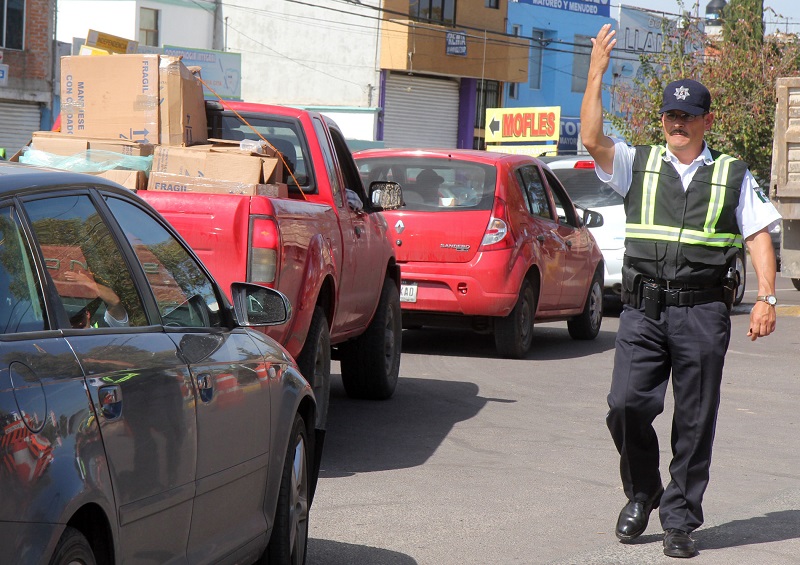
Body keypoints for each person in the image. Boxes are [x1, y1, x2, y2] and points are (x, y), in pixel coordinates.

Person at [581, 24, 781, 559]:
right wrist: (596, 73)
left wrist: (767, 296)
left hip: (702, 312)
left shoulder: (732, 174)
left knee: (694, 420)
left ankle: (680, 520)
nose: (678, 123)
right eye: (671, 115)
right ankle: (642, 491)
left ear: (706, 121)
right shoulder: (638, 163)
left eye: (688, 116)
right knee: (624, 405)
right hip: (643, 310)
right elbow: (592, 139)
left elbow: (759, 234)